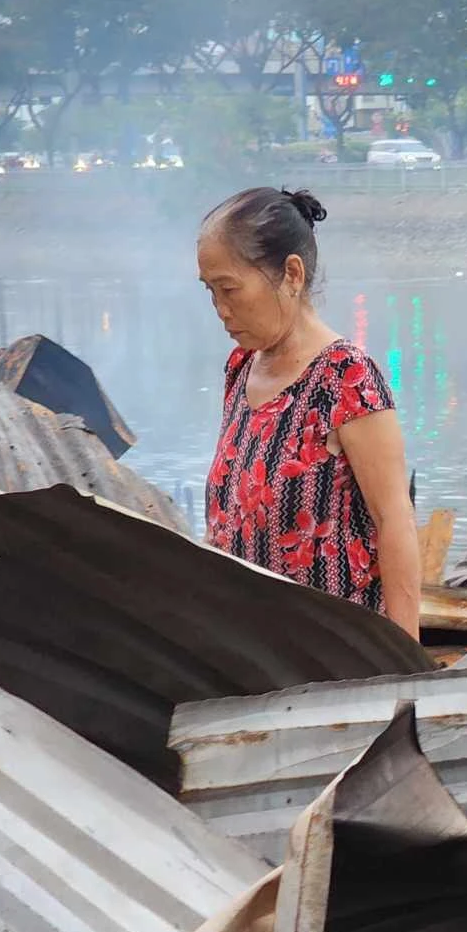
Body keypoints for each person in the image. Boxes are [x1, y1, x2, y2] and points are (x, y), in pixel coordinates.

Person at [198, 187, 421, 638]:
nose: (221, 310)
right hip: (248, 650)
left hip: (331, 657)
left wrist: (406, 664)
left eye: (230, 289)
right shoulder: (241, 368)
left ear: (291, 275)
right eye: (210, 291)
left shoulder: (346, 378)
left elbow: (393, 520)